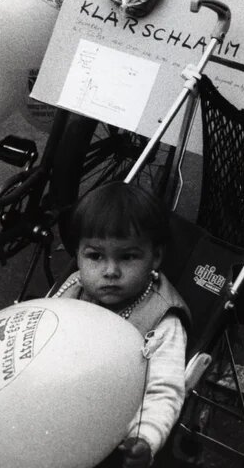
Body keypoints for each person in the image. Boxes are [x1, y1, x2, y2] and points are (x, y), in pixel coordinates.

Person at [52, 181, 190, 468]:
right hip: (57, 405)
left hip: (113, 427)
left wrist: (145, 437)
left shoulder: (161, 320)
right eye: (95, 256)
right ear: (77, 255)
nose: (110, 271)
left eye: (127, 257)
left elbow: (163, 390)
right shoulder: (74, 290)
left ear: (155, 257)